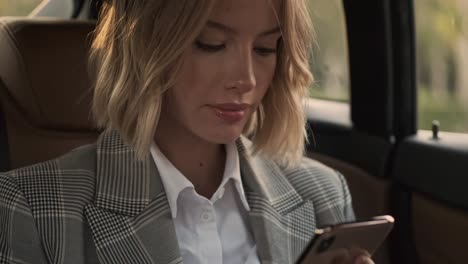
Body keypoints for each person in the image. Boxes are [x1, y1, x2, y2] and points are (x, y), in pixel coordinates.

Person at [0, 0, 374, 263]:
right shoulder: (29, 209)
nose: (245, 79)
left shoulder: (324, 194)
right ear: (147, 43)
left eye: (264, 48)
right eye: (211, 44)